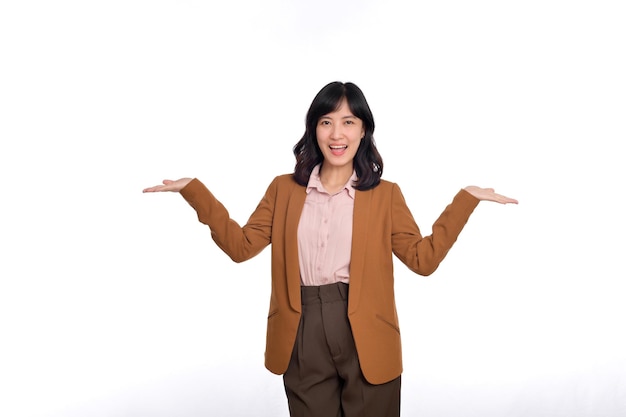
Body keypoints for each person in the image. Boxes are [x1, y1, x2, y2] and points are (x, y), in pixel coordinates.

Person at [143, 81, 518, 417]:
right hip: (301, 331)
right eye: (326, 121)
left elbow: (423, 260)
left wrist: (465, 201)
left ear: (363, 130)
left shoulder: (386, 196)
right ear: (314, 130)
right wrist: (195, 193)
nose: (337, 133)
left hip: (367, 333)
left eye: (348, 121)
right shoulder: (283, 189)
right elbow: (241, 247)